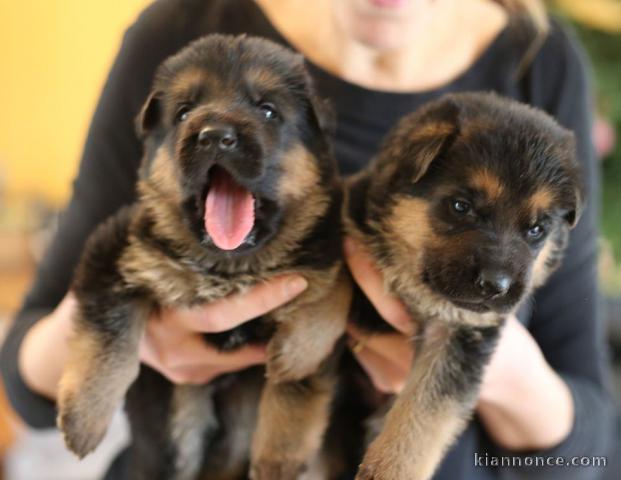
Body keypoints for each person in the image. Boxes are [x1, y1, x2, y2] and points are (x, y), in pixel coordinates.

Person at [1, 0, 616, 478]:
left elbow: (590, 457)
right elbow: (25, 381)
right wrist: (136, 335)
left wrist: (494, 371)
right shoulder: (183, 28)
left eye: (270, 113)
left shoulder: (542, 63)